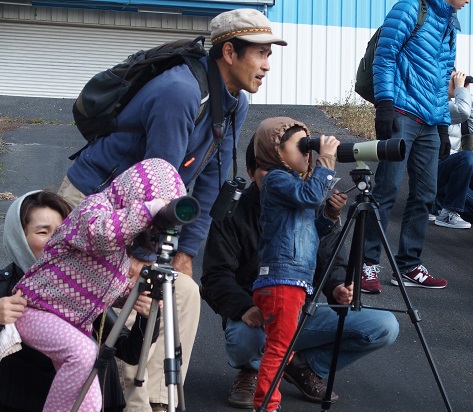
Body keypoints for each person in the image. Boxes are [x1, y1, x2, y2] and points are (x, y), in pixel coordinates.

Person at [56, 8, 287, 411]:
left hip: (147, 208)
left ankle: (161, 400)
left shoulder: (236, 102)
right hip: (95, 204)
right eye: (261, 54)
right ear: (229, 52)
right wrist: (142, 257)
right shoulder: (180, 92)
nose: (267, 65)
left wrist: (184, 253)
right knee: (135, 299)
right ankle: (131, 400)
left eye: (270, 55)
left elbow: (213, 179)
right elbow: (157, 182)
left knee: (183, 292)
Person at [200, 137, 399, 410]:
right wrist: (243, 308)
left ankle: (300, 366)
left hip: (303, 308)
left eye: (287, 171)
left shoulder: (310, 202)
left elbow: (331, 258)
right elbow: (214, 276)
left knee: (384, 327)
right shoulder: (233, 210)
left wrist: (338, 286)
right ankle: (253, 371)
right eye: (268, 170)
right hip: (258, 312)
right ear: (250, 171)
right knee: (248, 336)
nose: (278, 177)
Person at [12, 158, 186, 411]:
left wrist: (136, 296)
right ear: (135, 194)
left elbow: (105, 288)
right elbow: (100, 233)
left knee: (91, 402)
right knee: (85, 352)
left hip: (72, 327)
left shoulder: (121, 254)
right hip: (36, 310)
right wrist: (149, 208)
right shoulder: (94, 208)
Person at [0, 190, 158, 412]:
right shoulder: (5, 288)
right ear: (18, 237)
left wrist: (147, 316)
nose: (55, 240)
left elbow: (128, 352)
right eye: (43, 232)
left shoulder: (82, 291)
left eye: (62, 232)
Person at [361, 0, 470, 292]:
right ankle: (366, 264)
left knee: (425, 195)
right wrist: (385, 104)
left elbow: (442, 80)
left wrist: (445, 126)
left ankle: (408, 266)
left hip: (431, 121)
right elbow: (384, 56)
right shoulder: (410, 7)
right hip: (401, 112)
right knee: (386, 189)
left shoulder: (449, 24)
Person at [250, 117, 340, 412]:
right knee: (279, 347)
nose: (308, 153)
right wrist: (326, 163)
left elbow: (311, 232)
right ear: (276, 150)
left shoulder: (292, 187)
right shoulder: (275, 178)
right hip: (282, 281)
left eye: (310, 147)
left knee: (282, 343)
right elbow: (310, 194)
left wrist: (328, 214)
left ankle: (279, 373)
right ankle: (267, 406)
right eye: (301, 146)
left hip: (291, 281)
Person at [433, 69, 473, 228]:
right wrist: (461, 91)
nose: (458, 82)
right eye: (454, 80)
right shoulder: (437, 104)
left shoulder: (457, 103)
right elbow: (462, 111)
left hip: (450, 171)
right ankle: (448, 212)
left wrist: (467, 94)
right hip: (434, 169)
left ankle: (443, 202)